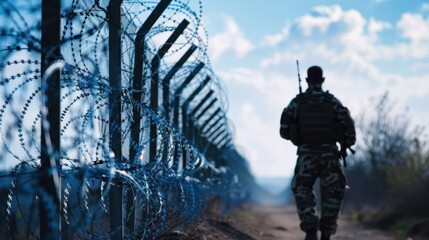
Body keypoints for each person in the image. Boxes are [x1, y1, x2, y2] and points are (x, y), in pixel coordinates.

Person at [279, 66, 356, 240]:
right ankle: (327, 232)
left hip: (307, 155)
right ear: (322, 80)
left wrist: (297, 133)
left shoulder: (298, 102)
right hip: (330, 155)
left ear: (307, 81)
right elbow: (348, 126)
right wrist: (346, 143)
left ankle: (311, 229)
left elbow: (283, 130)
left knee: (302, 188)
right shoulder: (332, 102)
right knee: (335, 190)